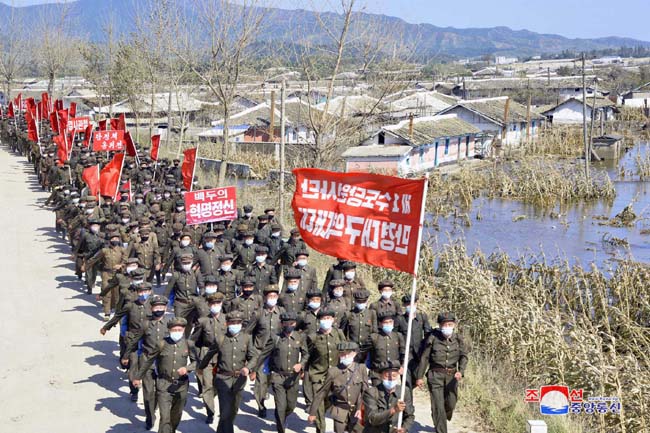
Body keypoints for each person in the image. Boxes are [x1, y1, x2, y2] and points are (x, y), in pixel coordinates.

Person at [198, 311, 259, 433]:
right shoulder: (220, 338)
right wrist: (200, 368)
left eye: (238, 323)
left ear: (241, 324)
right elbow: (209, 354)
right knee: (225, 411)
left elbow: (254, 356)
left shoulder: (246, 338)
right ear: (227, 324)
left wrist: (248, 368)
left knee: (233, 411)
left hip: (239, 380)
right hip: (222, 379)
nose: (235, 325)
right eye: (232, 322)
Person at [132, 317, 197, 433]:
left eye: (179, 330)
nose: (177, 332)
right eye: (174, 330)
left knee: (176, 415)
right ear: (169, 330)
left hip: (181, 386)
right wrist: (138, 377)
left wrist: (187, 368)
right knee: (165, 418)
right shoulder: (161, 344)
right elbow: (148, 361)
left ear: (183, 330)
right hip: (164, 385)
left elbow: (197, 362)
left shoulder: (188, 344)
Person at [415, 312, 469, 433]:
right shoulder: (433, 338)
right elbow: (425, 358)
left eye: (450, 324)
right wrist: (419, 377)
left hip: (452, 376)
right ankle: (440, 427)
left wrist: (461, 371)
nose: (447, 327)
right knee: (438, 406)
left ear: (454, 325)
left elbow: (464, 356)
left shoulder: (458, 339)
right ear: (439, 326)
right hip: (435, 375)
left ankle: (441, 415)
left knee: (451, 403)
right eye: (444, 325)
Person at [257, 311, 308, 433]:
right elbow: (263, 354)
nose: (289, 325)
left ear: (295, 324)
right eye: (286, 323)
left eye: (292, 323)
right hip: (278, 376)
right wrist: (253, 369)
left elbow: (306, 354)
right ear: (282, 324)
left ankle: (283, 419)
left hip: (293, 378)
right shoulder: (275, 338)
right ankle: (281, 428)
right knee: (280, 407)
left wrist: (301, 364)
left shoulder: (300, 337)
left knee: (291, 406)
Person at [307, 342, 368, 433]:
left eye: (348, 353)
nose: (345, 356)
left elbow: (365, 392)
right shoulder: (333, 371)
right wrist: (312, 413)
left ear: (354, 353)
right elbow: (322, 392)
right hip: (339, 411)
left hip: (356, 412)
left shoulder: (361, 368)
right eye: (342, 353)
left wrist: (360, 408)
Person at [305, 308, 347, 433]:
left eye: (329, 318)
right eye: (323, 318)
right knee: (319, 406)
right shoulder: (313, 337)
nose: (326, 320)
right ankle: (320, 429)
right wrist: (305, 374)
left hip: (335, 377)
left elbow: (344, 351)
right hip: (318, 376)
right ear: (319, 321)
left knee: (328, 402)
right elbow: (308, 356)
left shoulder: (339, 333)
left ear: (333, 319)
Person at [189, 293, 227, 424]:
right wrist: (196, 357)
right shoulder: (203, 321)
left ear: (221, 304)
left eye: (218, 303)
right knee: (207, 386)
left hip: (222, 357)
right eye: (213, 304)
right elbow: (192, 341)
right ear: (209, 305)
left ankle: (216, 401)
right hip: (207, 357)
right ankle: (210, 412)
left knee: (219, 385)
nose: (215, 306)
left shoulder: (227, 319)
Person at [362, 360, 415, 433]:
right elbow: (372, 419)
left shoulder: (404, 392)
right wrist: (393, 410)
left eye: (394, 376)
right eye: (387, 376)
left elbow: (410, 416)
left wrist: (404, 429)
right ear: (380, 376)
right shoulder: (371, 393)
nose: (391, 379)